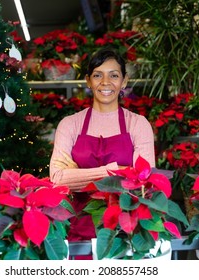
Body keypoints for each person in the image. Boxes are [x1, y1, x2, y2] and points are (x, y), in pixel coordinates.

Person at [49, 47, 155, 242]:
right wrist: (118, 170)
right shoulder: (70, 124)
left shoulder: (138, 124)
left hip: (124, 230)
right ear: (88, 80)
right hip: (76, 227)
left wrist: (77, 175)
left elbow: (143, 183)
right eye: (98, 75)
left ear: (124, 81)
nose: (106, 82)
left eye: (113, 75)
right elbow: (57, 179)